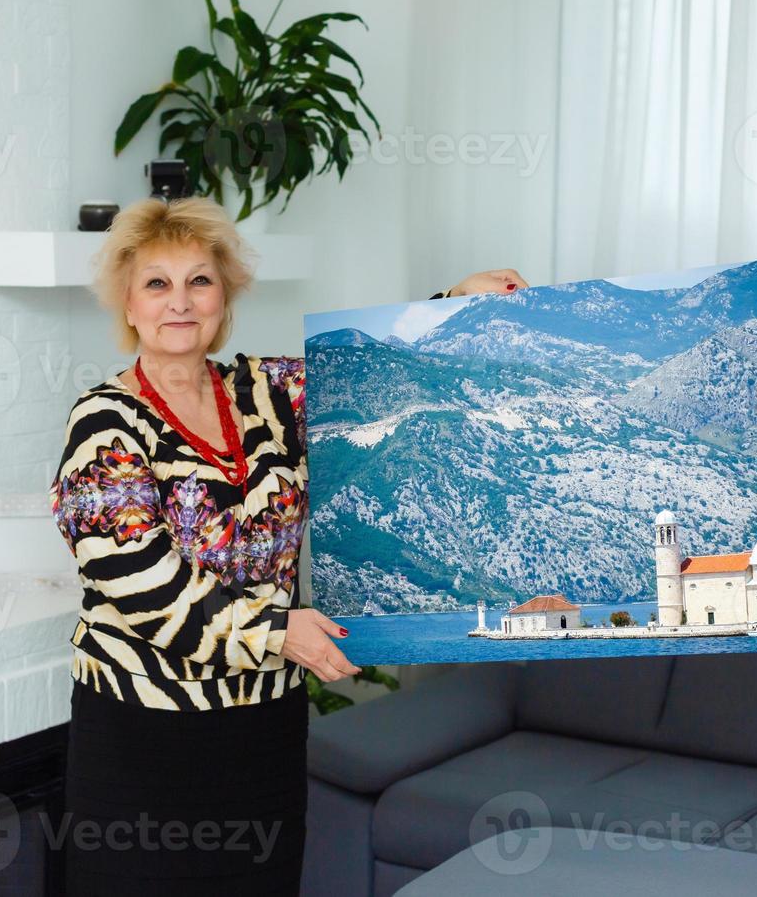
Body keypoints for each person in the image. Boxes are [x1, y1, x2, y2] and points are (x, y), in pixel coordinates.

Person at [49, 194, 529, 894]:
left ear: (225, 297)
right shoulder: (103, 422)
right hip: (145, 737)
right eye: (157, 283)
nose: (179, 302)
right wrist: (278, 632)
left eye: (199, 281)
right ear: (127, 304)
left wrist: (455, 301)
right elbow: (138, 581)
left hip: (264, 729)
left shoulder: (266, 391)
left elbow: (375, 374)